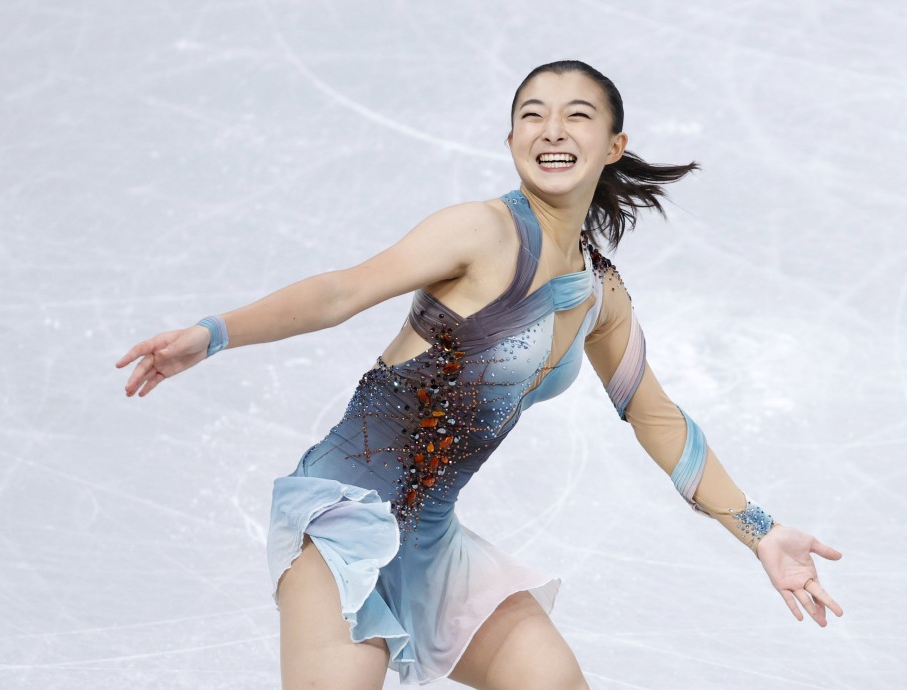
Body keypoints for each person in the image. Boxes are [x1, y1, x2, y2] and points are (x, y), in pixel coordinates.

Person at [116, 60, 844, 690]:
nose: (551, 129)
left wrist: (761, 531)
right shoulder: (483, 231)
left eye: (577, 115)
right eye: (532, 115)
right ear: (511, 140)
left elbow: (656, 416)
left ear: (614, 146)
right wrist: (213, 336)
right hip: (342, 518)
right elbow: (341, 292)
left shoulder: (601, 295)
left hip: (431, 543)